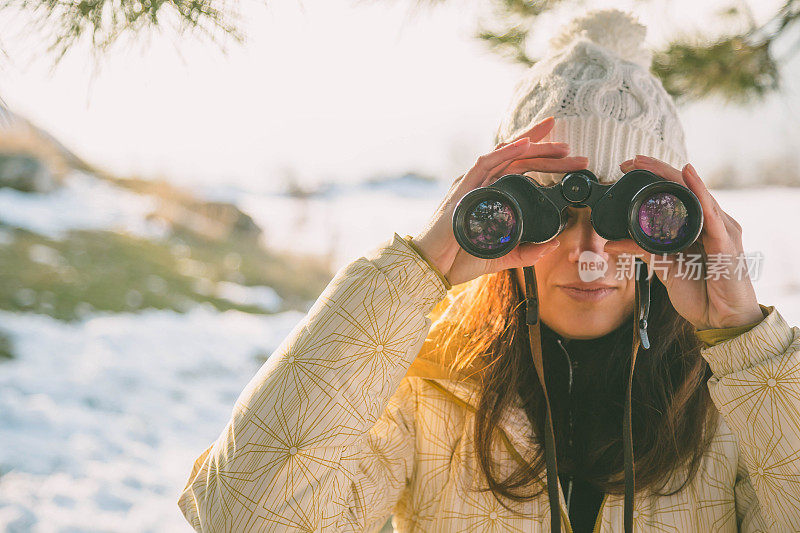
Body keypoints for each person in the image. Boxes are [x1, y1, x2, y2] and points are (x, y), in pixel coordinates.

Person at [178, 8, 799, 532]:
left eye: (625, 214)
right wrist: (415, 271)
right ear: (503, 215)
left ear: (676, 219)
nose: (589, 247)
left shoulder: (735, 402)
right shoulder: (426, 392)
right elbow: (245, 513)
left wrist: (746, 340)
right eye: (551, 206)